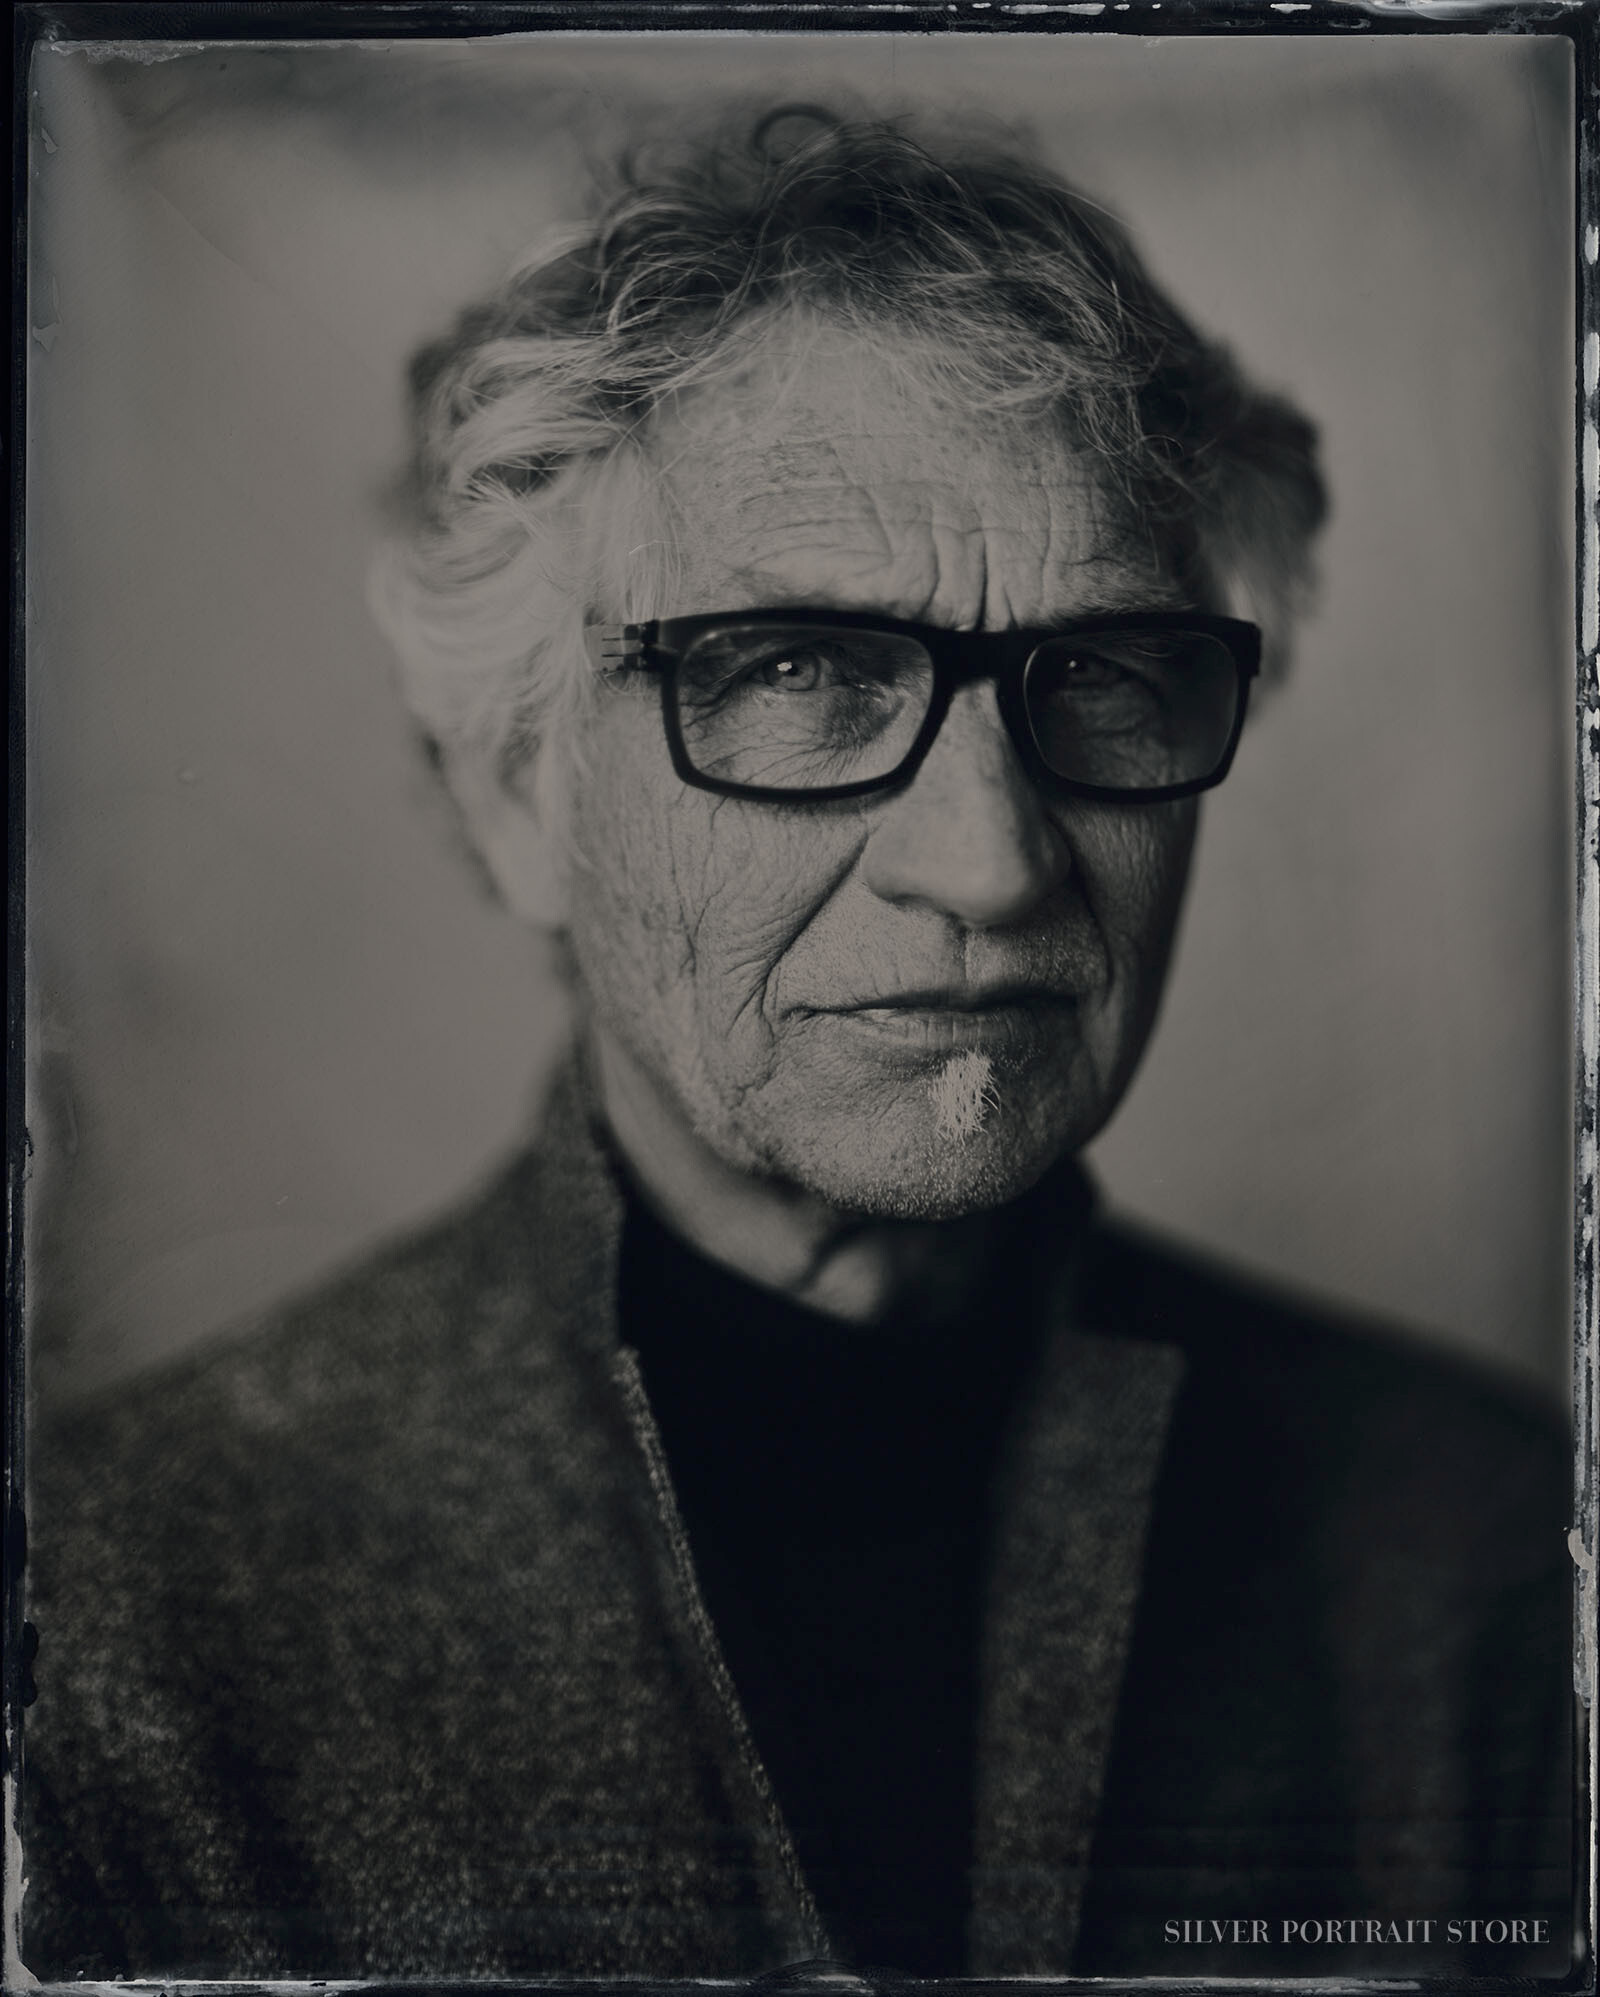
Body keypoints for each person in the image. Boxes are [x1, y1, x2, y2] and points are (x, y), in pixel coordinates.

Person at [23, 108, 1571, 1983]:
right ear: (515, 789)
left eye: (1103, 673)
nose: (992, 864)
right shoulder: (116, 1630)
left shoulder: (1481, 1560)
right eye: (793, 671)